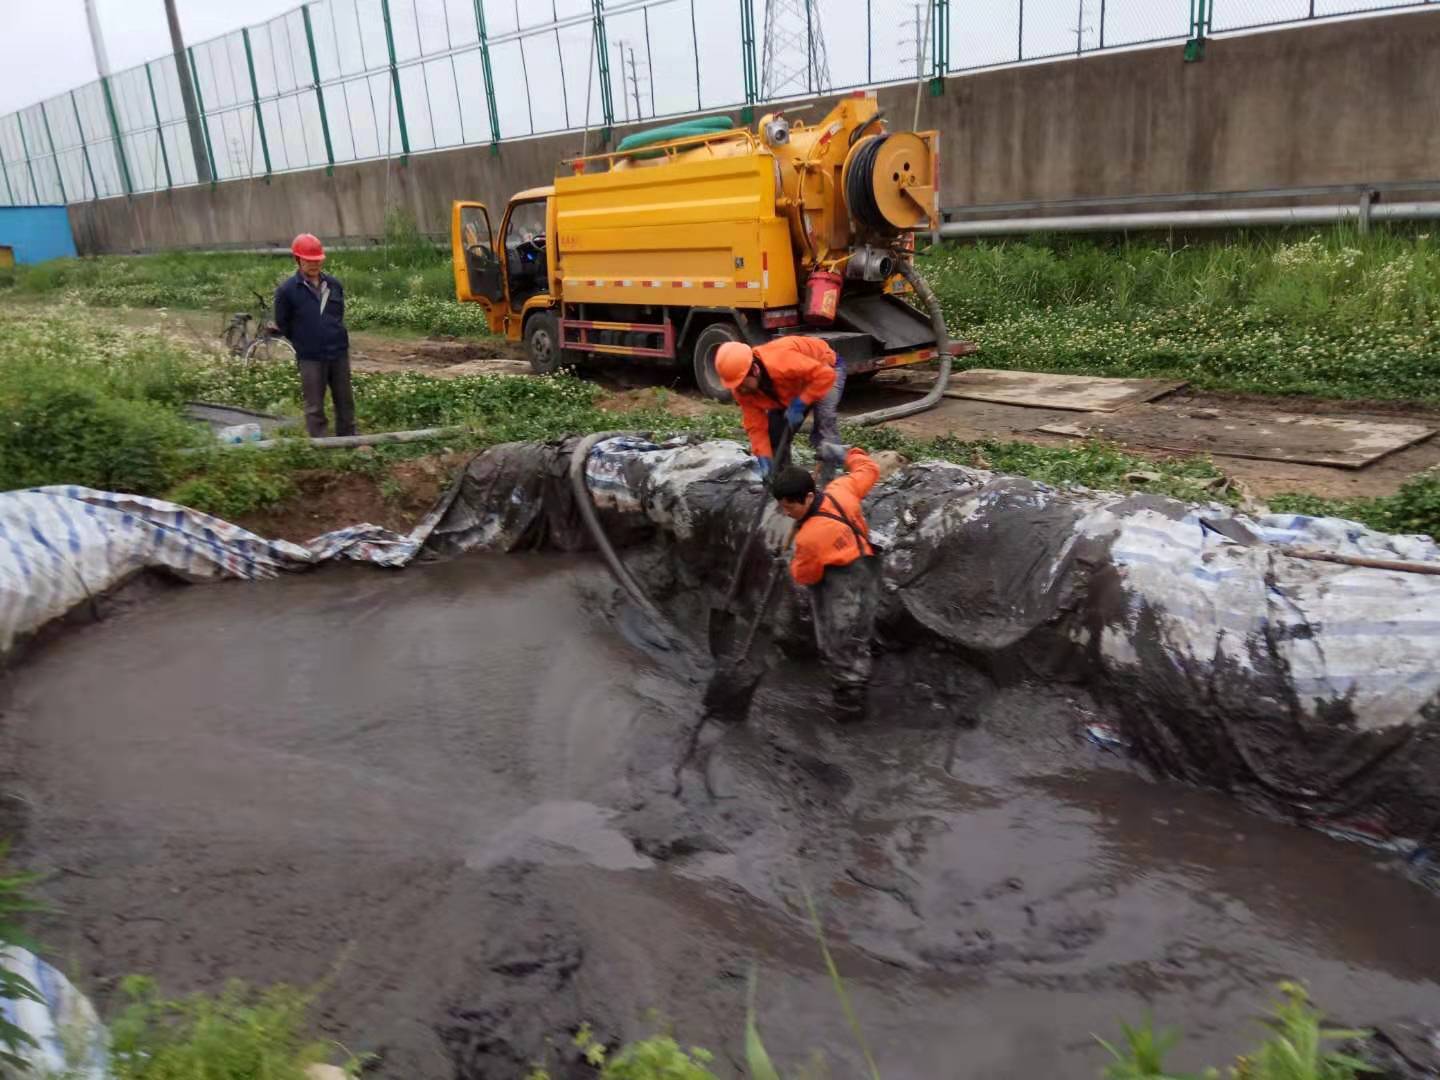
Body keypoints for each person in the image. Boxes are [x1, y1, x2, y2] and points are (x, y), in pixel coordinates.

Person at [771, 446, 881, 723]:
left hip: (839, 580)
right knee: (862, 623)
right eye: (781, 506)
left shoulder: (811, 537)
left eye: (790, 506)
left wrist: (788, 560)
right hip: (868, 564)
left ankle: (850, 701)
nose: (785, 513)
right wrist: (847, 452)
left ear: (808, 497)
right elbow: (869, 469)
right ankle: (866, 653)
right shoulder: (841, 488)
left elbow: (805, 576)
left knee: (838, 640)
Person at [715, 337, 846, 480]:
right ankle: (785, 487)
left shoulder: (781, 362)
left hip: (826, 368)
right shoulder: (741, 390)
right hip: (790, 386)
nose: (740, 389)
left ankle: (830, 485)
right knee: (775, 436)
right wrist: (763, 457)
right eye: (735, 385)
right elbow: (755, 426)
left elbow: (824, 375)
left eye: (741, 383)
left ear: (755, 370)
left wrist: (801, 402)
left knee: (825, 425)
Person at [274, 233, 355, 438]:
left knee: (345, 401)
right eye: (308, 260)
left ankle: (348, 440)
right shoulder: (287, 290)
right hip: (310, 356)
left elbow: (338, 315)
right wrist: (304, 341)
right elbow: (283, 323)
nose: (313, 264)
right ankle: (320, 444)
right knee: (314, 406)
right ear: (298, 259)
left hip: (338, 352)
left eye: (317, 260)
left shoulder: (334, 285)